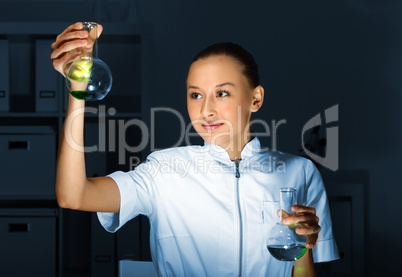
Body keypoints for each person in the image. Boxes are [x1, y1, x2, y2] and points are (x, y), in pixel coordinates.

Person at [51, 22, 339, 277]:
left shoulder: (300, 172)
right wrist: (78, 91)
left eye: (222, 93)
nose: (206, 110)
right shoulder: (163, 172)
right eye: (195, 95)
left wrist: (304, 245)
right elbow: (74, 195)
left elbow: (300, 269)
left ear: (255, 98)